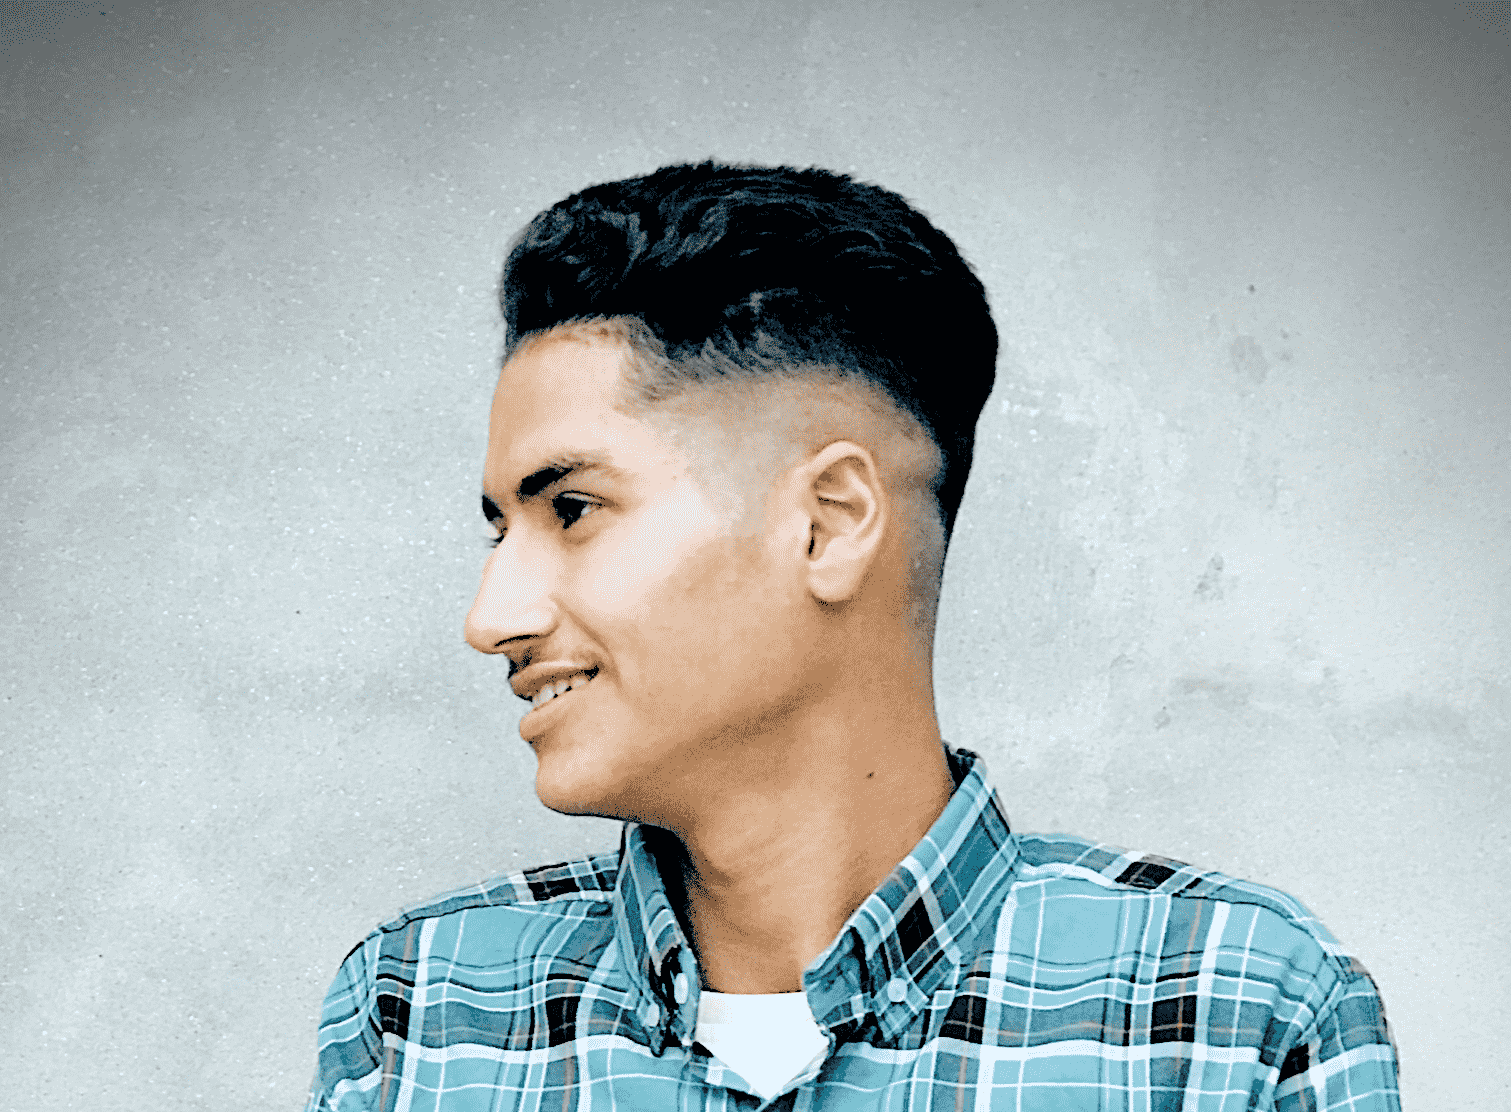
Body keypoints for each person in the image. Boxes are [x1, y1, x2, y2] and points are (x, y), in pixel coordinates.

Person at [304, 162, 1400, 1110]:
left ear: (826, 523)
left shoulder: (1226, 1014)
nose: (490, 617)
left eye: (573, 509)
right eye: (500, 530)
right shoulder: (423, 1011)